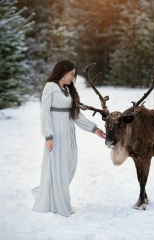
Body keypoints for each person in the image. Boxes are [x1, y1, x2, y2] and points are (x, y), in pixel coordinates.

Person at [32, 59, 105, 217]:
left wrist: (94, 129)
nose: (73, 77)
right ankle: (60, 204)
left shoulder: (68, 90)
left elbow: (76, 115)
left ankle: (54, 196)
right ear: (63, 71)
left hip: (69, 134)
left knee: (70, 166)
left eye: (74, 75)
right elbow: (44, 113)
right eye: (71, 74)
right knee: (58, 169)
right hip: (56, 135)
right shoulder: (50, 87)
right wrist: (48, 136)